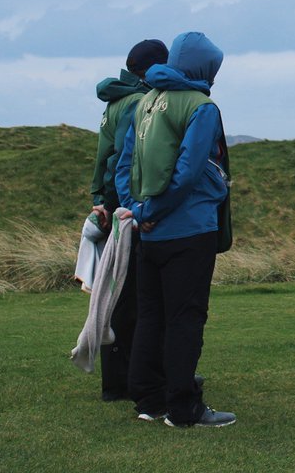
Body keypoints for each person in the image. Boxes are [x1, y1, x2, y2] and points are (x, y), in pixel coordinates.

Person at [115, 31, 235, 428]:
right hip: (188, 229)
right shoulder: (202, 107)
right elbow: (188, 171)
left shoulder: (146, 102)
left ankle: (149, 397)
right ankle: (184, 407)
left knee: (152, 314)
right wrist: (157, 209)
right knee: (186, 317)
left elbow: (125, 164)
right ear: (204, 68)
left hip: (149, 233)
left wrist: (138, 210)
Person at [79, 39, 168, 401]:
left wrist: (100, 199)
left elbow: (104, 157)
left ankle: (115, 382)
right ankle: (131, 380)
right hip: (126, 208)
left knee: (115, 294)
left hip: (108, 203)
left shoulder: (115, 99)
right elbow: (124, 160)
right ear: (152, 70)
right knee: (131, 298)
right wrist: (130, 203)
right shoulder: (137, 103)